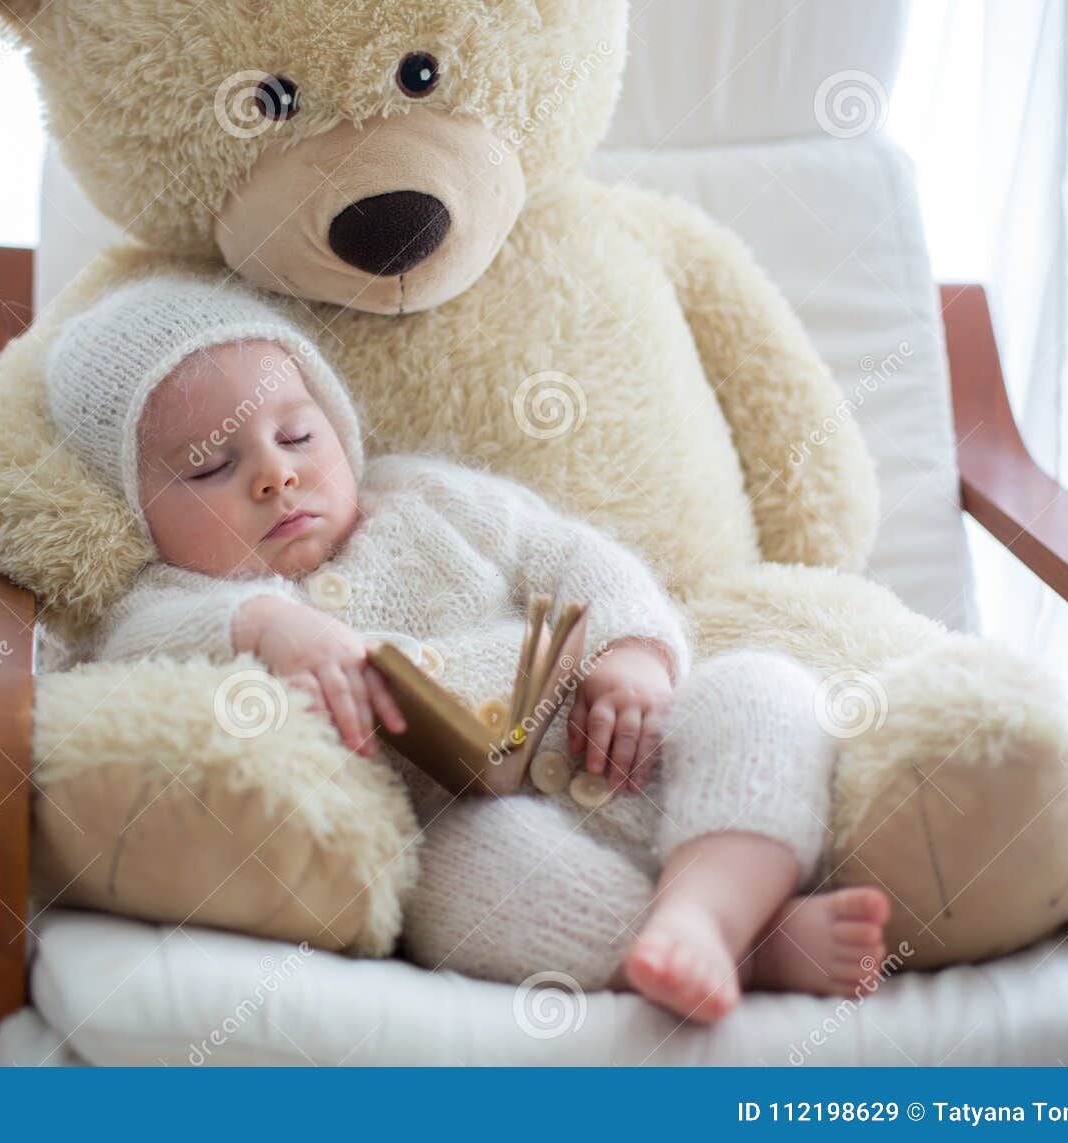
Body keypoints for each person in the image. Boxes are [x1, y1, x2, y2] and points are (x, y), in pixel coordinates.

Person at [45, 273, 892, 1023]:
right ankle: (747, 947)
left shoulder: (425, 496)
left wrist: (632, 654)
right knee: (470, 890)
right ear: (138, 510)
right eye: (207, 466)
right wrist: (266, 626)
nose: (275, 475)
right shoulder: (188, 600)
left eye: (298, 436)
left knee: (759, 689)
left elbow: (571, 554)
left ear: (339, 431)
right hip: (469, 817)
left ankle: (714, 902)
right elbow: (132, 651)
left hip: (618, 736)